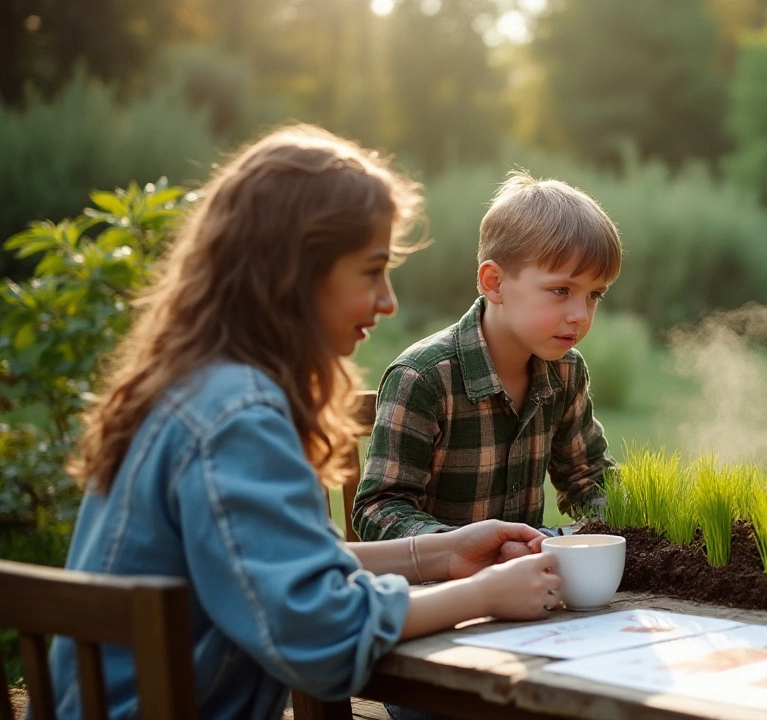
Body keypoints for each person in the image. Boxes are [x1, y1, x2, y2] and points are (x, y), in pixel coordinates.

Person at [49, 125, 563, 720]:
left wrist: (442, 555)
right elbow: (325, 638)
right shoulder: (237, 417)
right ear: (293, 271)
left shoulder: (193, 386)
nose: (389, 300)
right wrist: (481, 595)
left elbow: (285, 563)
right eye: (371, 271)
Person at [352, 171, 621, 542]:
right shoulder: (425, 377)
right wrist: (463, 548)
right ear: (494, 283)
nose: (580, 314)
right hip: (438, 589)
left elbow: (588, 478)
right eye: (561, 290)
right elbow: (378, 509)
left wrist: (643, 519)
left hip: (525, 586)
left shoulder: (566, 371)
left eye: (594, 295)